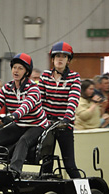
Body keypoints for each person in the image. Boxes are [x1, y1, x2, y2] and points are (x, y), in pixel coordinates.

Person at [0, 53, 48, 179]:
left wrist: (14, 116)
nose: (16, 71)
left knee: (23, 141)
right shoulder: (7, 88)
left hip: (36, 125)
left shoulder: (33, 89)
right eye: (14, 67)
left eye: (20, 68)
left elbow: (26, 106)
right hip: (19, 124)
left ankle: (14, 172)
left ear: (26, 72)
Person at [38, 42, 81, 178]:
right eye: (57, 56)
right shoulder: (45, 76)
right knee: (46, 165)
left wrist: (67, 118)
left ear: (68, 60)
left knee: (70, 166)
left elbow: (73, 100)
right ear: (52, 59)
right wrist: (42, 118)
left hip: (64, 125)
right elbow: (39, 100)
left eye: (64, 56)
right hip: (48, 125)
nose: (60, 59)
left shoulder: (74, 77)